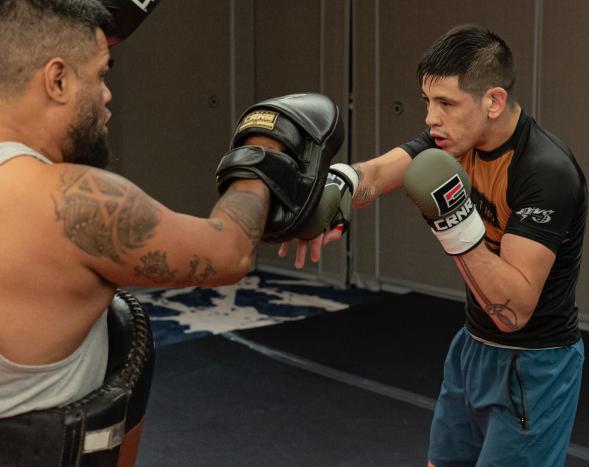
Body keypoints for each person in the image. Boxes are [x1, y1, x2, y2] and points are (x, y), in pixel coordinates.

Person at [0, 0, 340, 424]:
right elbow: (229, 251)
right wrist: (264, 155)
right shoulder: (71, 202)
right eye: (101, 74)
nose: (106, 95)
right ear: (57, 80)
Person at [284, 24, 588, 467]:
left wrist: (455, 225)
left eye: (446, 103)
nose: (430, 118)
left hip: (535, 365)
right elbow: (372, 176)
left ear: (494, 101)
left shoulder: (545, 173)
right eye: (429, 101)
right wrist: (319, 199)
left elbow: (515, 310)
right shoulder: (451, 141)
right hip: (471, 347)